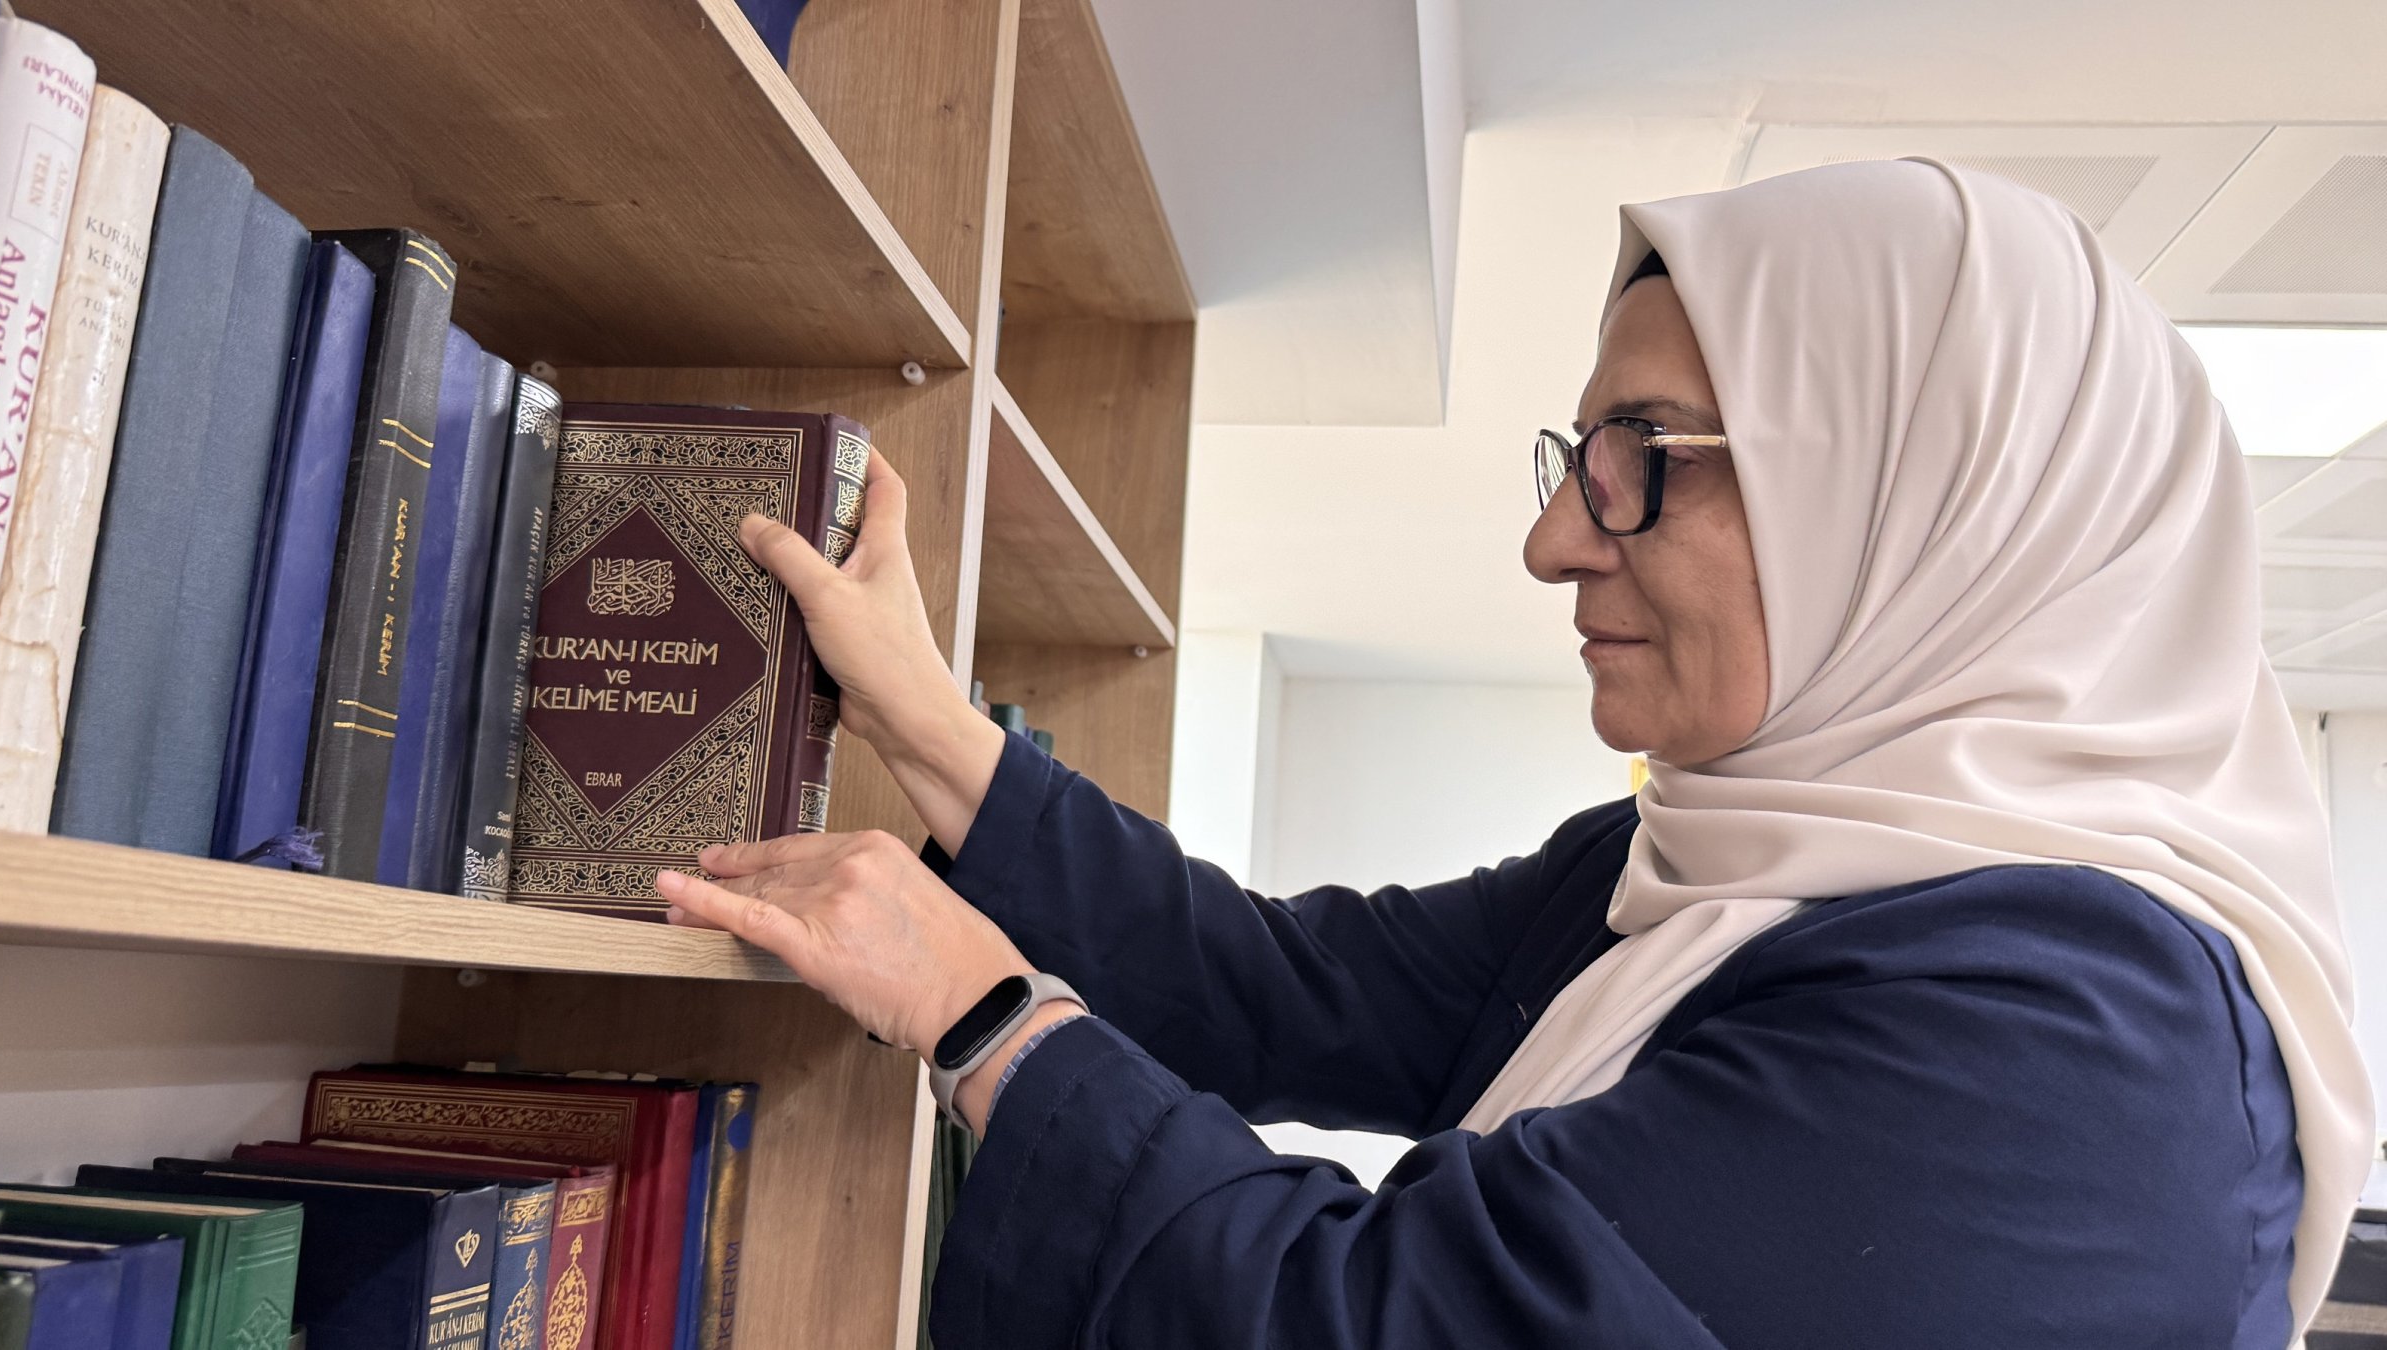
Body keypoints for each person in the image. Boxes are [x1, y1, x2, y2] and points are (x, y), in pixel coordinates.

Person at [657, 158, 2372, 1348]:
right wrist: (926, 720)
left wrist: (983, 1015)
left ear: (1923, 505)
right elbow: (1282, 982)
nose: (1556, 538)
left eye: (1648, 456)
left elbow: (1380, 1325)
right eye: (1580, 448)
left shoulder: (2073, 1053)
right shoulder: (1712, 862)